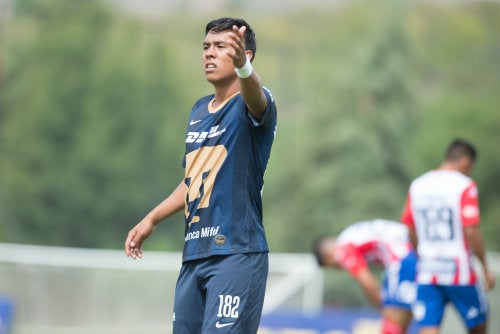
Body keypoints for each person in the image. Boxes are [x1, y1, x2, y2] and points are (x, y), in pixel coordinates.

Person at [125, 17, 277, 334]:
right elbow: (194, 179)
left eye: (221, 47)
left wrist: (243, 70)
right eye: (206, 47)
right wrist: (151, 218)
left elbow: (256, 96)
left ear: (244, 56)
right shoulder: (198, 110)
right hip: (195, 255)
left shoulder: (254, 102)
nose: (209, 53)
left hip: (236, 254)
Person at [400, 138, 495, 334]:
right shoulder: (464, 185)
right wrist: (484, 266)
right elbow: (470, 229)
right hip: (458, 270)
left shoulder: (418, 184)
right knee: (479, 324)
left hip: (428, 269)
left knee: (428, 326)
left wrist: (421, 254)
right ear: (465, 162)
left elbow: (409, 226)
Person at [313, 219, 417, 334]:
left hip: (402, 256)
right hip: (414, 248)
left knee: (392, 321)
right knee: (405, 320)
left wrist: (383, 310)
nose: (340, 269)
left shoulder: (343, 250)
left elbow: (368, 282)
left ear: (328, 257)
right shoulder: (349, 235)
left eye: (333, 267)